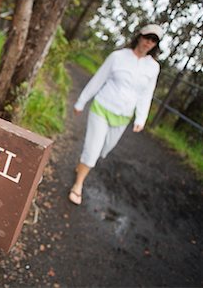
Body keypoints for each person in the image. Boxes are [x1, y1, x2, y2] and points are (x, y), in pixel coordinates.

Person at [69, 24, 163, 205]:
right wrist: (81, 101)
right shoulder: (118, 57)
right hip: (102, 108)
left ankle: (83, 164)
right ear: (139, 36)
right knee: (93, 149)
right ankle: (78, 184)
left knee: (104, 149)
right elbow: (98, 79)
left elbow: (146, 94)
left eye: (153, 41)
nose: (148, 43)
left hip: (123, 116)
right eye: (147, 37)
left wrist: (141, 117)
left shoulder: (153, 67)